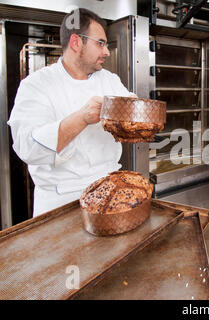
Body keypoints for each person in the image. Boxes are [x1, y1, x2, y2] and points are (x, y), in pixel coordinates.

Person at [8, 8, 135, 217]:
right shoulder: (36, 85)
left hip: (110, 194)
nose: (107, 52)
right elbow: (28, 148)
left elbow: (132, 113)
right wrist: (82, 118)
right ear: (76, 42)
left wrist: (134, 112)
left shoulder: (109, 80)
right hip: (61, 202)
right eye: (100, 43)